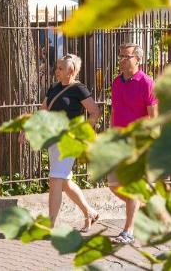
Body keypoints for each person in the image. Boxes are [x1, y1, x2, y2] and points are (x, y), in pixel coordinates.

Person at [21, 54, 101, 228]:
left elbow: (95, 112)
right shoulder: (54, 88)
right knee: (64, 180)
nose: (56, 71)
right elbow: (43, 111)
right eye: (57, 67)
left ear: (71, 71)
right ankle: (90, 212)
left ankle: (50, 224)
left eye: (60, 68)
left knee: (55, 179)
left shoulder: (79, 89)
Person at [109, 42, 158, 246]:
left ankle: (128, 230)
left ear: (137, 59)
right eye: (120, 55)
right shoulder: (116, 82)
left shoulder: (146, 82)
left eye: (126, 56)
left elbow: (153, 117)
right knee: (113, 185)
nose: (121, 59)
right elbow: (114, 111)